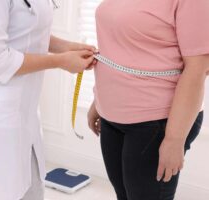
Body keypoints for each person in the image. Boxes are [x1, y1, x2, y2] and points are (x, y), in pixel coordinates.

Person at [0, 0, 96, 200]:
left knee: (30, 187)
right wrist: (60, 61)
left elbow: (28, 29)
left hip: (24, 109)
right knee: (3, 191)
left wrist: (69, 47)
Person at [88, 0, 209, 200]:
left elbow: (198, 69)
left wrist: (174, 139)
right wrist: (98, 100)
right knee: (124, 195)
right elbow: (122, 48)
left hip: (157, 122)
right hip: (112, 115)